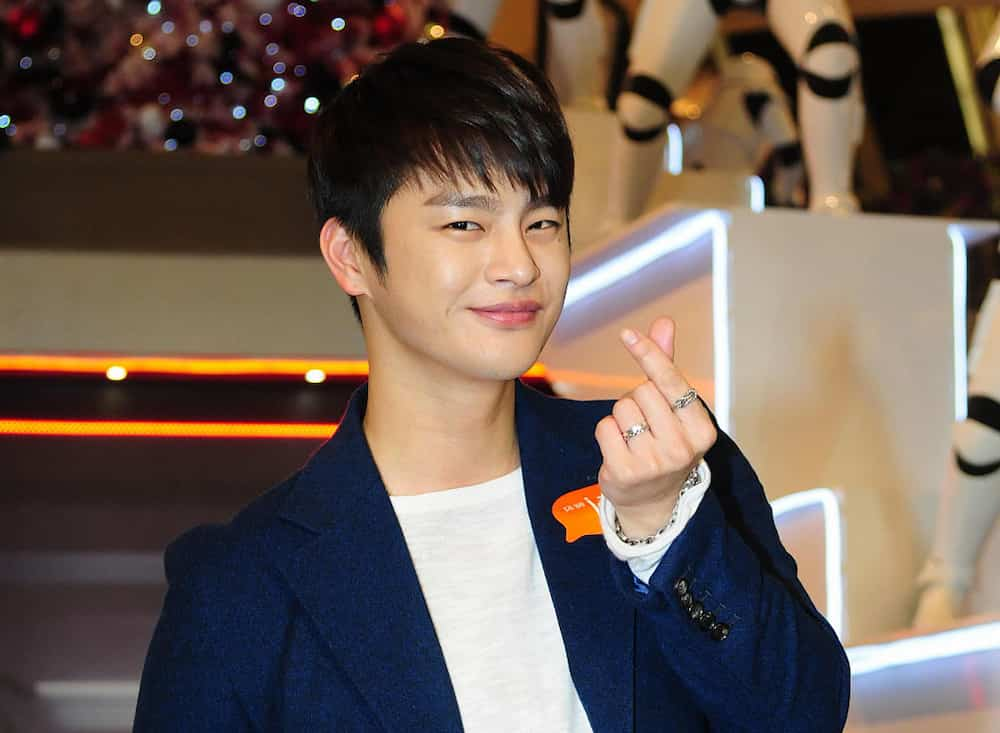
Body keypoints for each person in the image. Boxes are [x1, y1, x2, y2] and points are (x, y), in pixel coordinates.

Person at [133, 36, 850, 731]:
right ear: (350, 256)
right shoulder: (241, 586)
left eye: (541, 220)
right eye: (464, 224)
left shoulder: (661, 466)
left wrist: (667, 533)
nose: (519, 263)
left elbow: (804, 714)